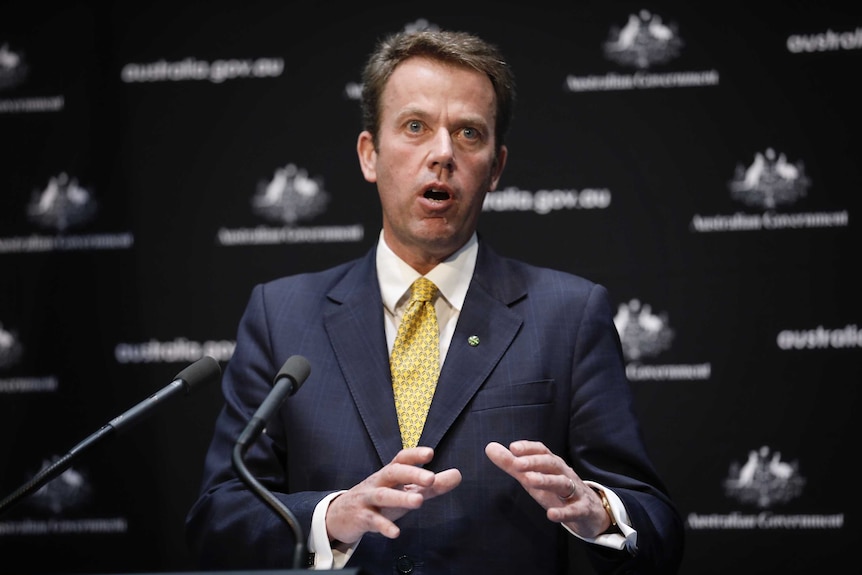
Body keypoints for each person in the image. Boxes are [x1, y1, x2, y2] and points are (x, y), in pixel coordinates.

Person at [186, 28, 684, 574]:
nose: (442, 153)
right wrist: (328, 517)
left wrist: (600, 513)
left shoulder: (568, 314)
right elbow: (218, 521)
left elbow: (655, 525)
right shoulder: (280, 317)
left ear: (495, 168)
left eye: (469, 133)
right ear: (369, 154)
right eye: (415, 127)